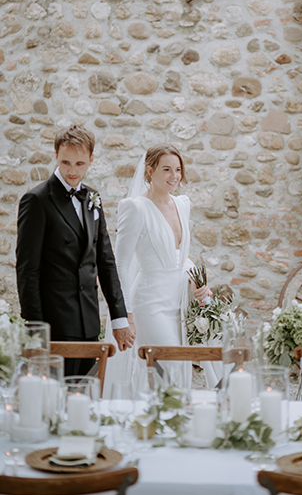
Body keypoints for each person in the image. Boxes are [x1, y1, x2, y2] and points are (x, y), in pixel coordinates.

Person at [16, 125, 133, 377]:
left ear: (91, 159)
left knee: (85, 399)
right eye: (65, 162)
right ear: (56, 154)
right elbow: (27, 271)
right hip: (54, 324)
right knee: (55, 402)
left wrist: (119, 318)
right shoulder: (37, 200)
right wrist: (36, 331)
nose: (72, 170)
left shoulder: (93, 198)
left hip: (89, 322)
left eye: (80, 163)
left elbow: (106, 261)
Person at [102, 144, 213, 392]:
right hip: (150, 303)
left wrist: (195, 280)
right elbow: (120, 262)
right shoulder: (135, 208)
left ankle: (166, 422)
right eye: (166, 169)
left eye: (178, 170)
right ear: (150, 171)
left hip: (179, 302)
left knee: (177, 369)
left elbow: (180, 257)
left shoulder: (182, 204)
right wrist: (126, 315)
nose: (174, 176)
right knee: (169, 362)